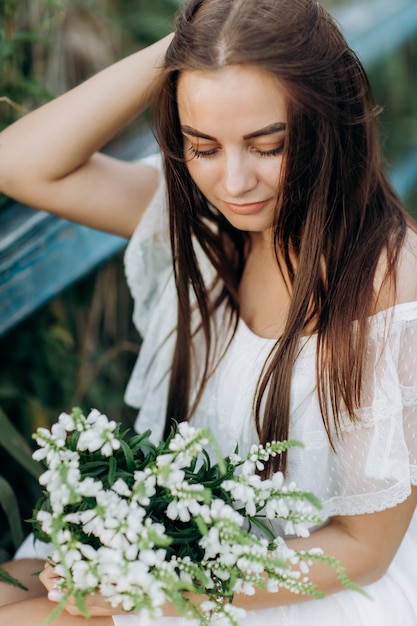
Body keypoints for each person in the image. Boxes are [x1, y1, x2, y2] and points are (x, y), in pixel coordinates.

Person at [0, 0, 416, 624]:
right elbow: (21, 163)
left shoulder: (388, 282)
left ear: (329, 122)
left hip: (299, 583)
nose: (234, 182)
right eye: (203, 146)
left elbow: (362, 550)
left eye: (267, 145)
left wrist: (151, 585)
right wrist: (195, 40)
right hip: (182, 533)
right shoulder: (200, 223)